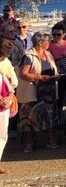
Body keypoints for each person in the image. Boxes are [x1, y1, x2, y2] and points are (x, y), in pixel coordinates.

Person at [17, 32, 59, 152]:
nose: (49, 43)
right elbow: (23, 74)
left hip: (48, 90)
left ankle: (51, 140)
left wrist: (56, 76)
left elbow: (52, 69)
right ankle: (30, 143)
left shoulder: (48, 54)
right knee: (31, 117)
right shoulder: (28, 56)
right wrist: (40, 77)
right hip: (33, 90)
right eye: (48, 41)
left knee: (49, 116)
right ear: (41, 43)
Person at [0, 38, 17, 173]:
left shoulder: (6, 63)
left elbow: (13, 81)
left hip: (4, 105)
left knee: (2, 135)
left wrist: (9, 96)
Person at [47, 23, 66, 108]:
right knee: (55, 95)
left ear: (64, 34)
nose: (56, 37)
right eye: (54, 34)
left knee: (64, 94)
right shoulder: (50, 45)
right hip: (56, 73)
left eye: (58, 35)